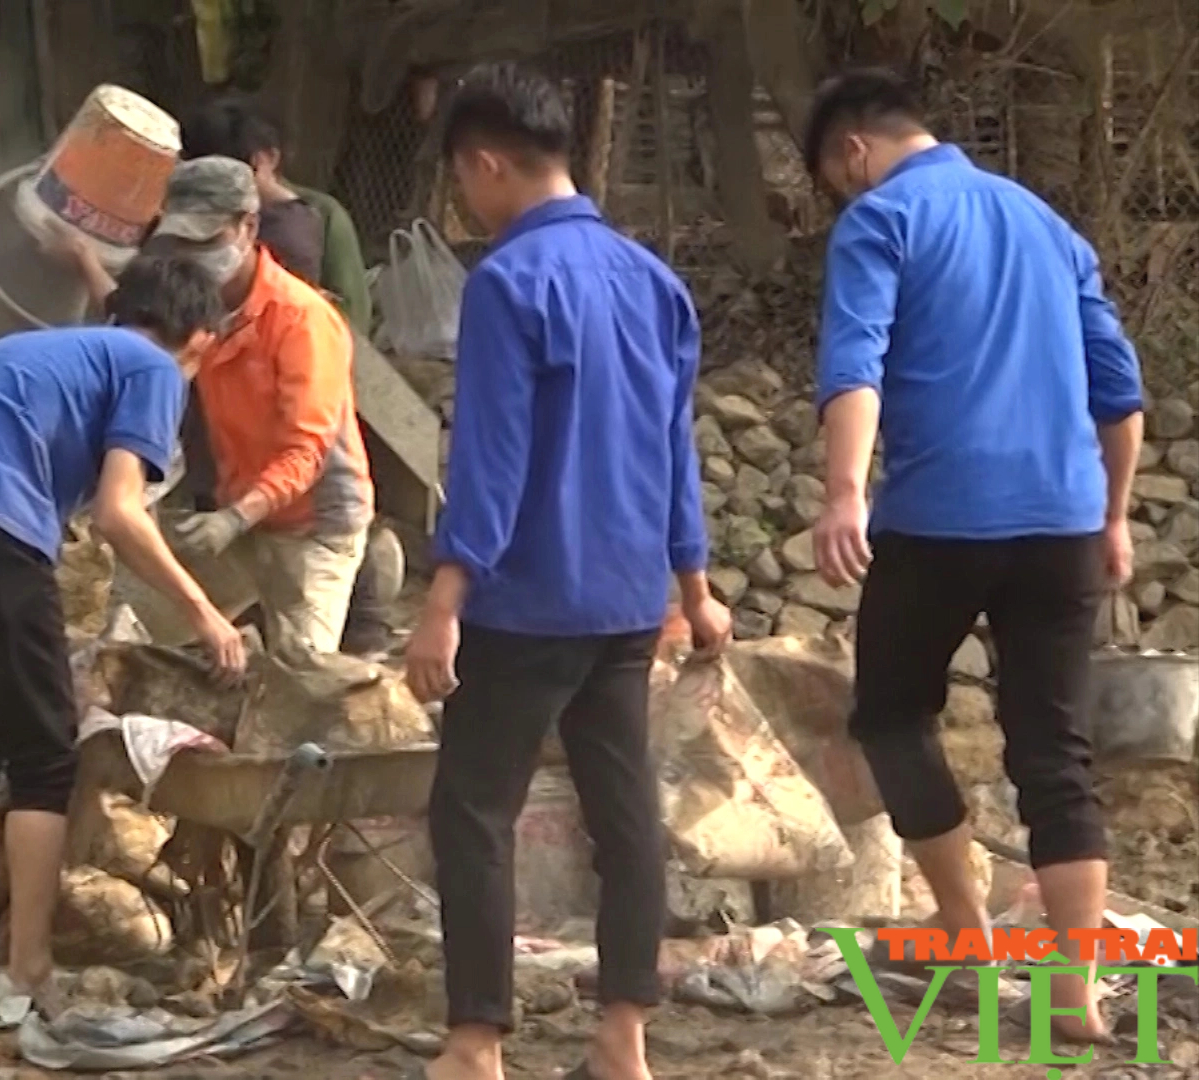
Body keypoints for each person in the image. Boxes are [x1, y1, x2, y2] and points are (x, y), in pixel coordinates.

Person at [403, 63, 728, 1080]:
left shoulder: (508, 283)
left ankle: (474, 1041)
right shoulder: (654, 280)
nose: (466, 198)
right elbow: (678, 451)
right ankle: (622, 1037)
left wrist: (444, 598)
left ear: (487, 162)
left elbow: (491, 459)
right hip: (628, 601)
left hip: (530, 599)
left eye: (464, 176)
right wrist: (695, 586)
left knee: (472, 811)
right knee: (625, 815)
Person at [803, 70, 1143, 1043]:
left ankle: (969, 938)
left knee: (894, 712)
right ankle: (1075, 990)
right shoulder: (1047, 225)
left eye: (837, 179)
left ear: (853, 152)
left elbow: (855, 359)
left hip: (943, 516)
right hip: (1065, 520)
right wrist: (1114, 517)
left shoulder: (881, 222)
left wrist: (842, 493)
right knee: (1053, 748)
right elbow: (1118, 393)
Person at [0, 255, 248, 1008]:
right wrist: (204, 612)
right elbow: (119, 510)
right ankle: (29, 966)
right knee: (46, 753)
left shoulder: (50, 348)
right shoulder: (155, 367)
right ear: (201, 339)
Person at [177, 94, 404, 655]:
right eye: (185, 240)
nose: (195, 253)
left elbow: (307, 452)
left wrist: (234, 517)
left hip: (314, 519)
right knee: (188, 639)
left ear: (248, 226)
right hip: (247, 507)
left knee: (302, 674)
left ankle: (365, 632)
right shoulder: (196, 304)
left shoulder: (301, 317)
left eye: (209, 239)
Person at [179, 94, 371, 331]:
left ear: (268, 158)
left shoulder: (322, 214)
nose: (218, 184)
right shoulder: (185, 207)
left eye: (231, 170)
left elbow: (352, 314)